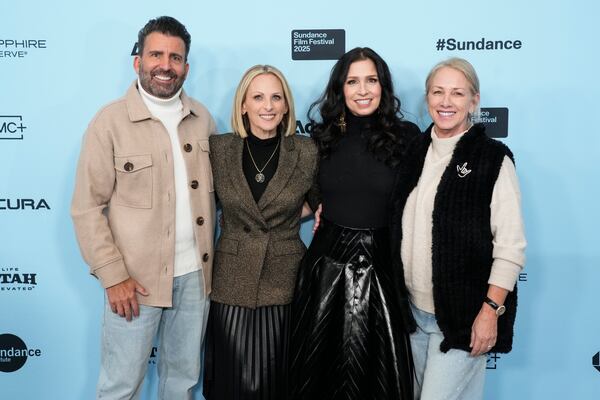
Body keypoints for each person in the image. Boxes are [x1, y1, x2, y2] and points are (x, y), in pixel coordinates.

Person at [71, 16, 216, 399]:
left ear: (186, 66)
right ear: (138, 61)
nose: (165, 66)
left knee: (181, 383)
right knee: (121, 386)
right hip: (134, 285)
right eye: (156, 55)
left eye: (175, 57)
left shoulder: (202, 120)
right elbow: (87, 207)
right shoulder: (110, 122)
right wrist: (113, 277)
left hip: (195, 280)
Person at [390, 57, 526, 400]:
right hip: (412, 316)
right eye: (438, 92)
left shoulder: (493, 158)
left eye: (457, 93)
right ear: (427, 99)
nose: (446, 102)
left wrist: (490, 312)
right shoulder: (415, 151)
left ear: (474, 101)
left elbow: (510, 247)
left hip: (463, 318)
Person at [290, 47, 419, 400]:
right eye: (353, 81)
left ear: (383, 86)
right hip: (325, 270)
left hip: (384, 269)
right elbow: (308, 193)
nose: (363, 90)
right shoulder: (321, 139)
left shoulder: (408, 137)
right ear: (341, 88)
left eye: (371, 80)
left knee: (379, 379)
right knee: (320, 375)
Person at [203, 65, 318, 400]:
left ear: (285, 106)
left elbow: (323, 202)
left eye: (275, 97)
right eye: (258, 97)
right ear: (243, 105)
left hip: (284, 280)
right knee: (230, 383)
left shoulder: (306, 151)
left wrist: (284, 220)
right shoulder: (219, 149)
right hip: (230, 281)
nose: (267, 106)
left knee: (278, 383)